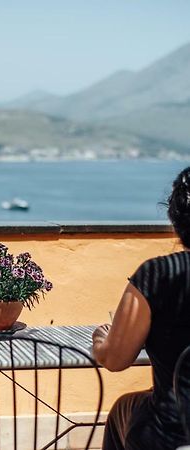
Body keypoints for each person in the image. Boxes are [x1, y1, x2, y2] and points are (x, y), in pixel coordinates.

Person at [92, 166, 190, 450]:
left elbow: (115, 359)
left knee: (124, 409)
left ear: (175, 220)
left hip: (172, 434)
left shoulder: (158, 275)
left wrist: (100, 341)